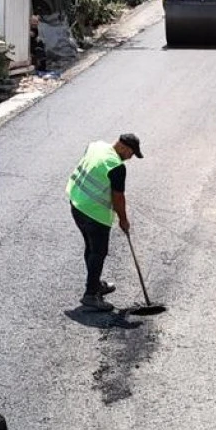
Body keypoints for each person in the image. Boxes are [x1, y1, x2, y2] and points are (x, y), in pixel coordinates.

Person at [65, 132, 142, 312]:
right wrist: (123, 220)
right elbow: (118, 198)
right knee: (98, 252)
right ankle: (91, 295)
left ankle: (95, 284)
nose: (130, 158)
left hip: (76, 203)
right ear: (123, 147)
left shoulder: (96, 146)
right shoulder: (116, 167)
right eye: (131, 153)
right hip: (94, 214)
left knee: (91, 248)